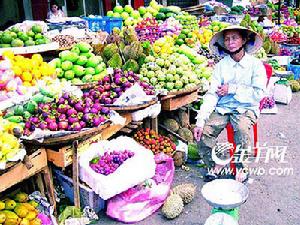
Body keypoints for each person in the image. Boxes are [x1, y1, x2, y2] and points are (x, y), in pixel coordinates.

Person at [194, 25, 267, 183]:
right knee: (203, 133)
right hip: (224, 108)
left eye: (234, 38)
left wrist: (232, 89)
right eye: (227, 39)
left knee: (241, 128)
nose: (230, 42)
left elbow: (259, 94)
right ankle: (215, 165)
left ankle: (241, 168)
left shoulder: (255, 65)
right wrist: (200, 120)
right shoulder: (221, 66)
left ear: (244, 40)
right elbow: (212, 94)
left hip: (246, 108)